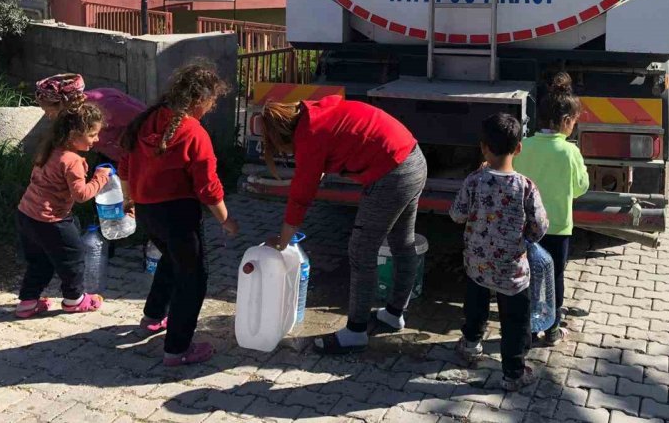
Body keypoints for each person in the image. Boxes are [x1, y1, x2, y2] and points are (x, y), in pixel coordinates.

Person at [260, 95, 427, 355]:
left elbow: (300, 197)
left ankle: (356, 332)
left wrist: (283, 240)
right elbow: (342, 139)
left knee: (362, 251)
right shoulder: (318, 111)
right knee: (402, 243)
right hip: (413, 158)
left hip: (392, 173)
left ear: (282, 136)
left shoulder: (309, 135)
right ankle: (394, 314)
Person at [121, 62, 239, 367]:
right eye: (212, 101)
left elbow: (124, 167)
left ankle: (152, 317)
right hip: (178, 216)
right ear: (200, 99)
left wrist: (129, 199)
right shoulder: (193, 132)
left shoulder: (145, 120)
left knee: (172, 260)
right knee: (194, 277)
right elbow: (209, 187)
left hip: (148, 212)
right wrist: (226, 220)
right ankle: (177, 349)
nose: (212, 108)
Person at [449, 113, 549, 392]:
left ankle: (469, 346)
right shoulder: (526, 186)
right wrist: (525, 239)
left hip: (477, 264)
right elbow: (540, 226)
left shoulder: (474, 181)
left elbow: (457, 214)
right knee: (515, 322)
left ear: (483, 147)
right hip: (513, 269)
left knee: (475, 307)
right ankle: (514, 373)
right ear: (518, 148)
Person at [15, 101, 109, 318]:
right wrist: (99, 178)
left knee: (40, 261)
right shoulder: (72, 160)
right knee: (74, 257)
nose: (97, 139)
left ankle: (27, 302)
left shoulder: (51, 150)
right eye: (93, 134)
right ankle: (74, 300)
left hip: (26, 215)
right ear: (75, 134)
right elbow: (82, 195)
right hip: (51, 220)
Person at [515, 73, 590, 345]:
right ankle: (553, 328)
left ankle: (530, 328)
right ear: (567, 122)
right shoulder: (570, 152)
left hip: (527, 228)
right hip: (558, 227)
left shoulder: (525, 147)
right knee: (554, 276)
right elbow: (581, 186)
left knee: (529, 276)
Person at [35, 74, 145, 165]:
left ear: (63, 104)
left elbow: (146, 121)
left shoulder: (108, 106)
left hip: (141, 155)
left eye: (49, 111)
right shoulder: (70, 116)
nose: (48, 116)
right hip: (118, 158)